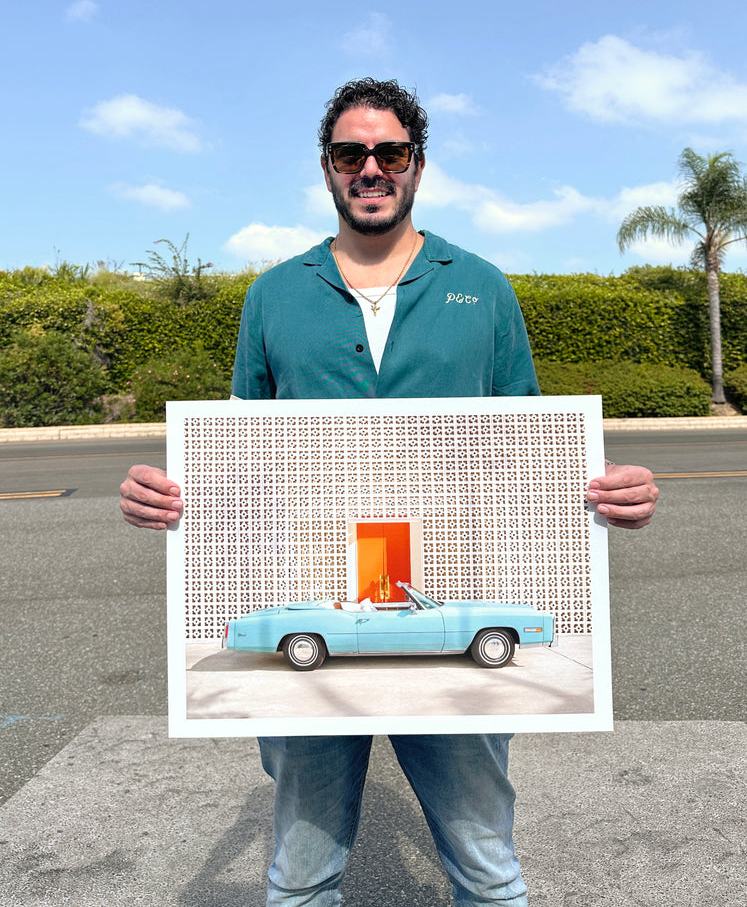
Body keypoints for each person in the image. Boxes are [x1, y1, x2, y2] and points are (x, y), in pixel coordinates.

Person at [121, 78, 659, 906]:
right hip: (312, 591)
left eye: (390, 152)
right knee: (301, 877)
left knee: (487, 871)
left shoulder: (481, 286)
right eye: (350, 154)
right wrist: (166, 494)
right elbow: (237, 462)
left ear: (417, 164)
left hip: (450, 587)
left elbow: (525, 454)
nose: (369, 169)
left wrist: (605, 488)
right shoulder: (274, 295)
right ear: (326, 167)